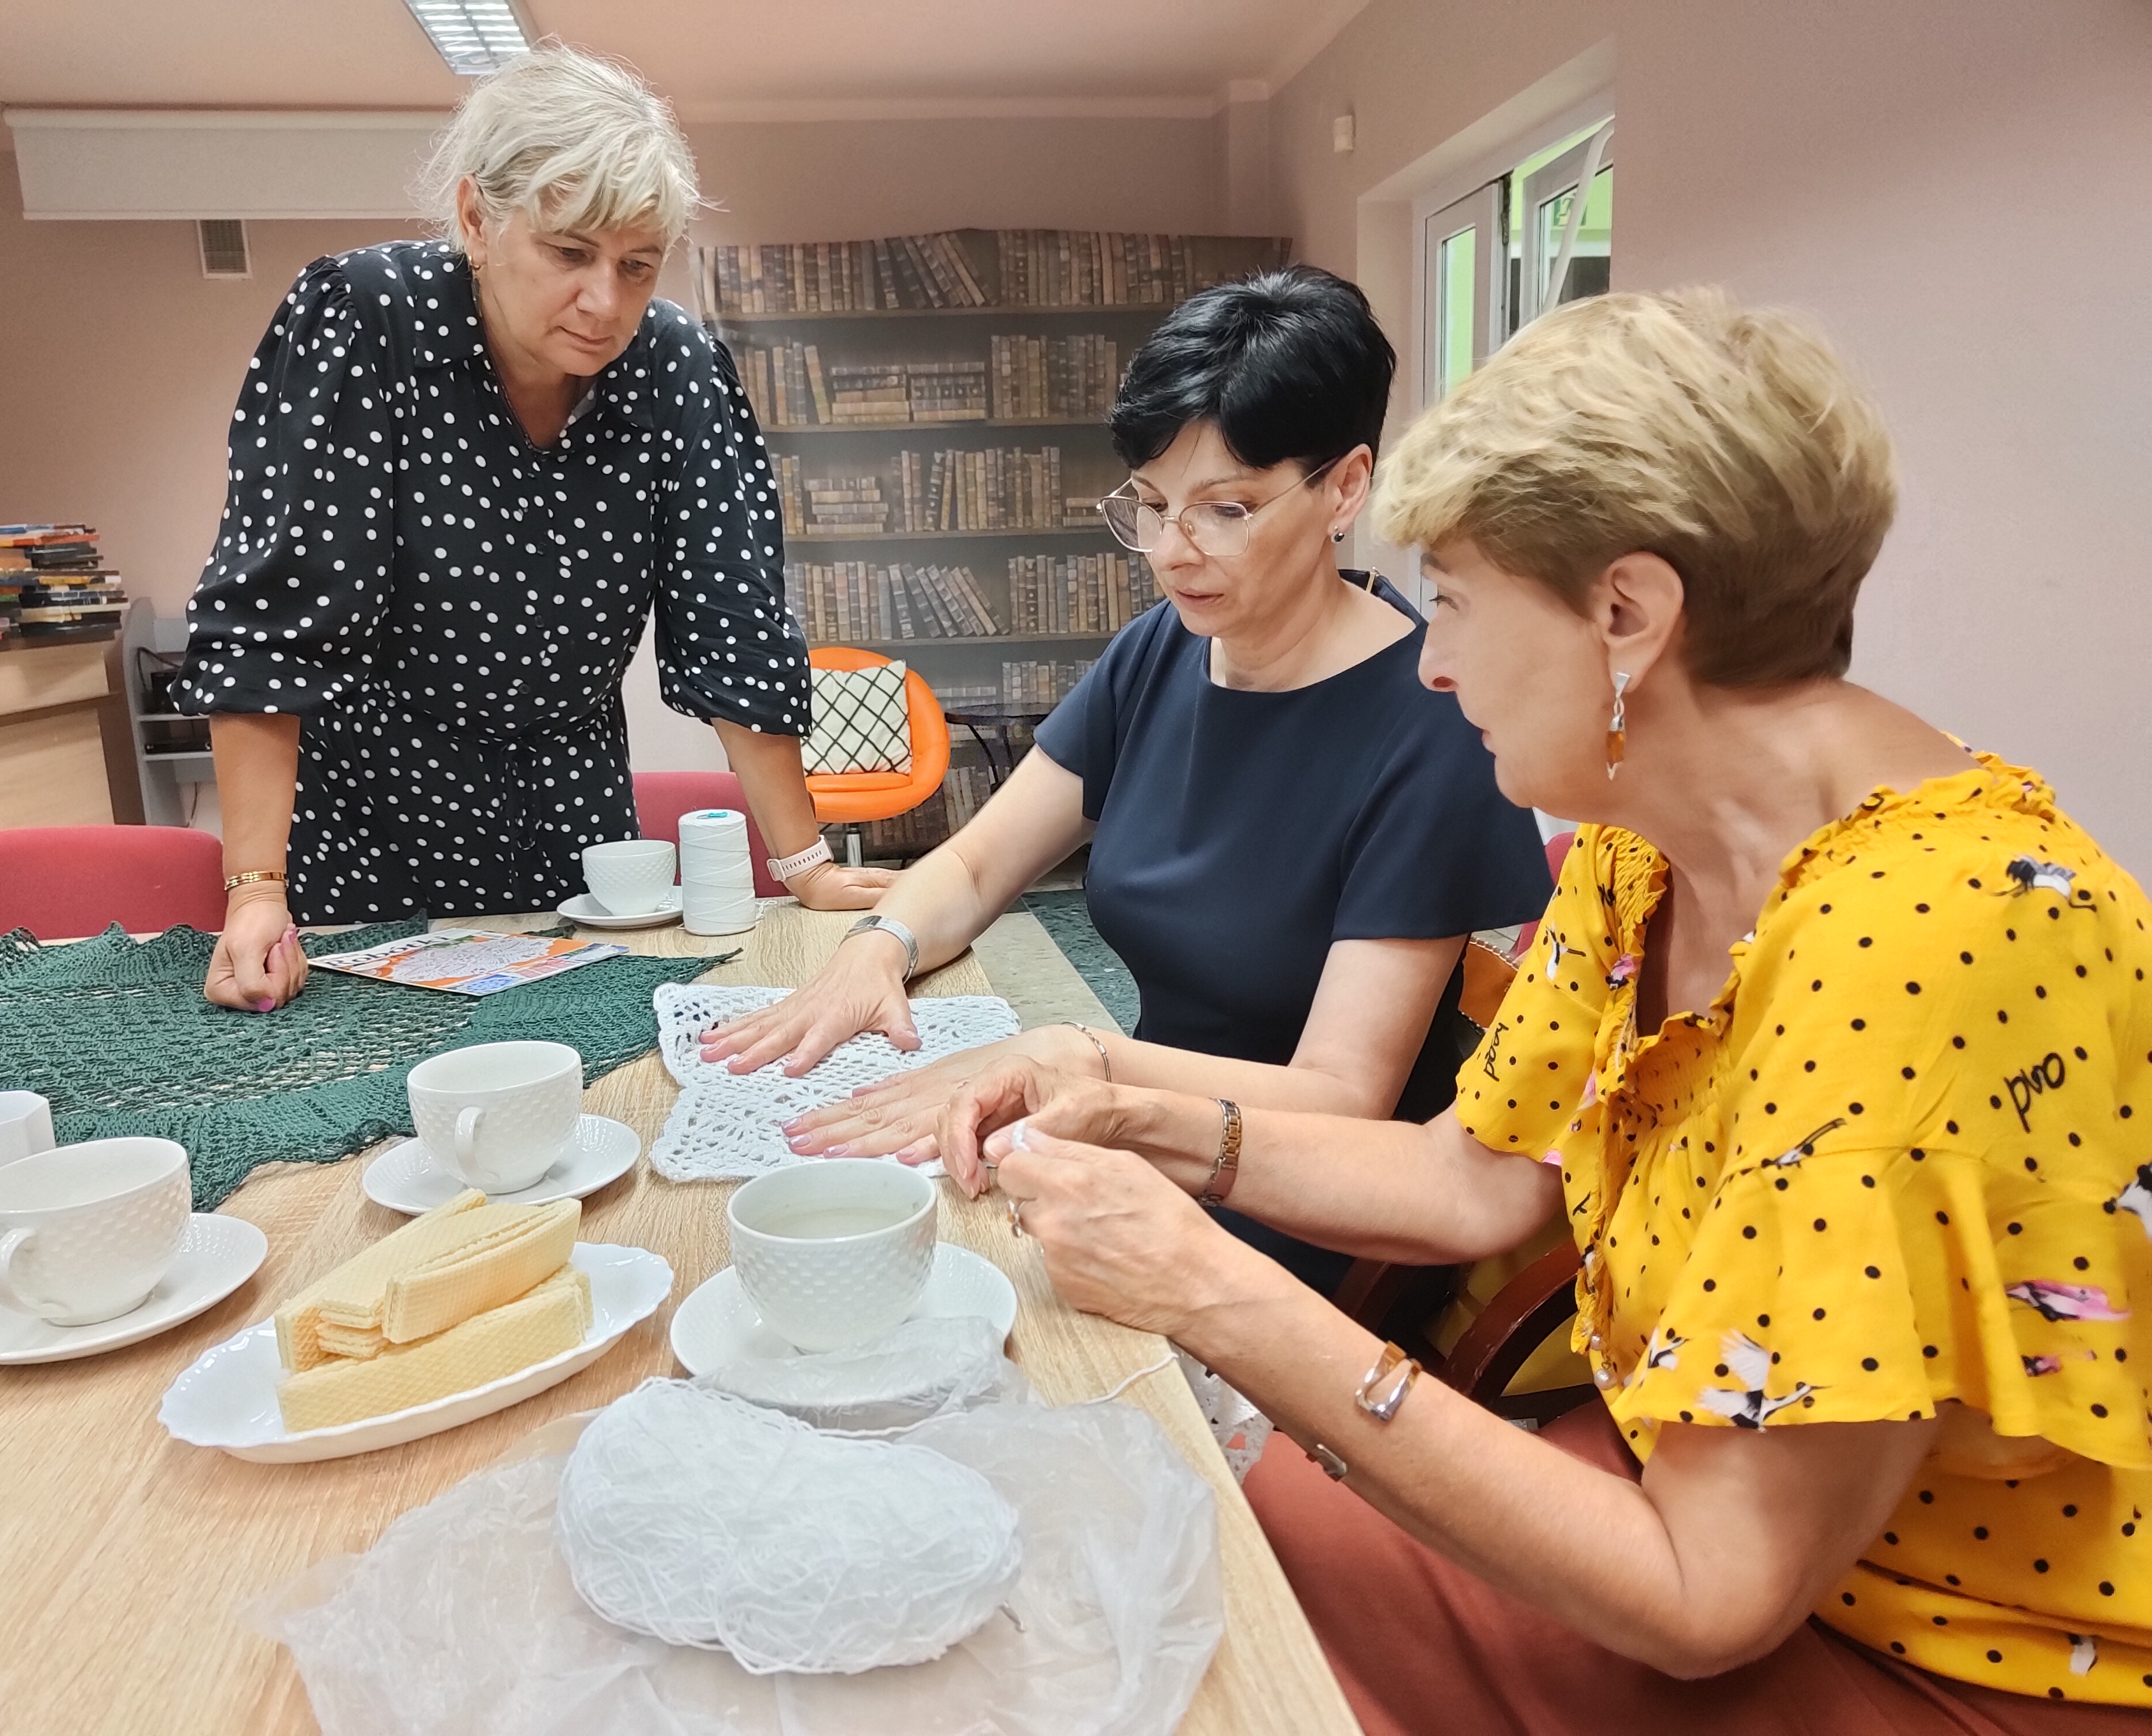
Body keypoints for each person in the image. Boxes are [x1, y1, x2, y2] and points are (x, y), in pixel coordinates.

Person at [941, 288, 2151, 1729]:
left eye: (1453, 599)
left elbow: (1708, 1599)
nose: (1429, 659)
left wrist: (1203, 1286)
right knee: (1137, 1550)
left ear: (1625, 614)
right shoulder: (1642, 841)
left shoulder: (1931, 944)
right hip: (1670, 1482)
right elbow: (1471, 1177)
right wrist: (1132, 1113)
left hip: (1945, 1647)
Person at [706, 266, 1553, 1292]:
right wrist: (878, 948)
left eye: (1225, 509)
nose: (1170, 552)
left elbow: (1340, 1097)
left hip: (1297, 1208)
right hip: (1133, 1141)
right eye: (1150, 505)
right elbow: (976, 866)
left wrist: (1085, 1060)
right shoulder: (1162, 650)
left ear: (1344, 487)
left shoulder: (1430, 722)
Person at [176, 47, 888, 1013]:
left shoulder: (674, 368)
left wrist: (806, 865)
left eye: (637, 266)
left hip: (576, 817)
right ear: (477, 219)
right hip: (373, 816)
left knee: (591, 1052)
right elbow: (275, 627)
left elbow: (737, 628)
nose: (605, 302)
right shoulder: (368, 321)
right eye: (569, 253)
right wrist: (256, 891)